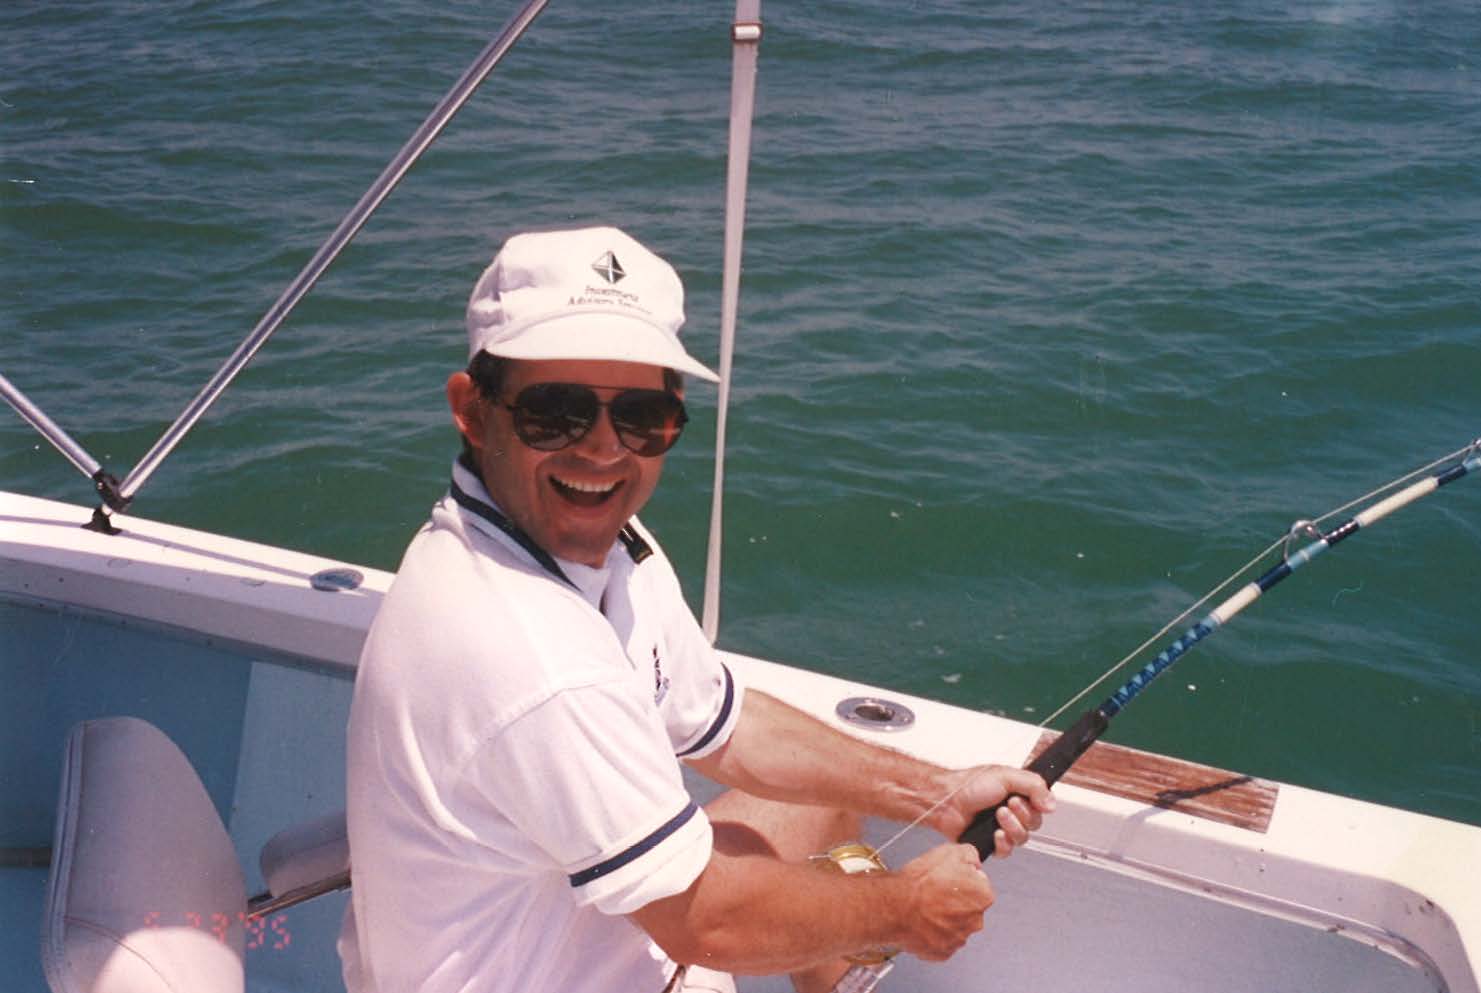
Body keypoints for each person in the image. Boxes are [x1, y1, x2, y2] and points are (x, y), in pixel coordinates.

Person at [340, 225, 1054, 993]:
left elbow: (724, 722)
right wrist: (904, 909)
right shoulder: (527, 654)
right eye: (556, 411)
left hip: (606, 946)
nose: (603, 450)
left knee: (812, 815)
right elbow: (703, 919)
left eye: (641, 416)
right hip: (636, 948)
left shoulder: (600, 542)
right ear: (474, 412)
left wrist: (935, 790)